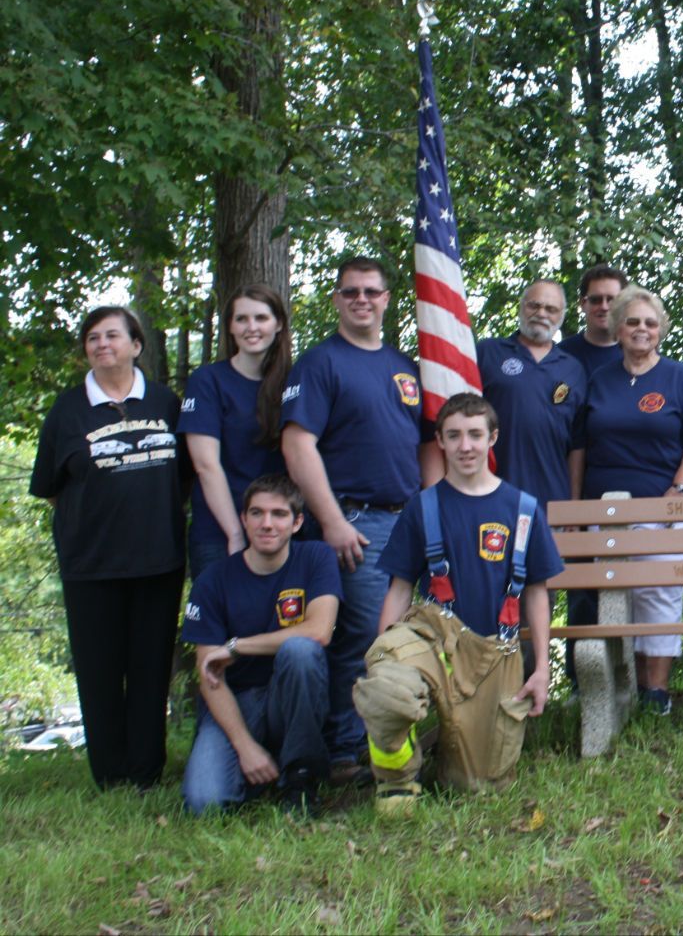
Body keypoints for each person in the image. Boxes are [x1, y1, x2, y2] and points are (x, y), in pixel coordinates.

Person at [359, 393, 562, 813]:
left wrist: (541, 669)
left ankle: (448, 752)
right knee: (387, 688)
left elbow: (538, 593)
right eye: (454, 436)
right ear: (440, 442)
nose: (465, 446)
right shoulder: (423, 507)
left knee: (474, 787)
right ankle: (396, 781)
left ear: (493, 438)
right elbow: (399, 587)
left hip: (495, 651)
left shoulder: (523, 510)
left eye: (474, 434)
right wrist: (380, 655)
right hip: (433, 637)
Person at [281, 256, 430, 782]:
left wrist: (431, 513)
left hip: (408, 519)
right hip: (354, 521)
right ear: (337, 300)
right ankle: (346, 751)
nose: (362, 299)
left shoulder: (405, 367)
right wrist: (333, 521)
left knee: (407, 635)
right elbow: (298, 445)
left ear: (388, 299)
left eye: (372, 291)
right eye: (351, 292)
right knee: (366, 637)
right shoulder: (320, 363)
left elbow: (427, 444)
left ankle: (393, 739)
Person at [30, 306, 185, 790]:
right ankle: (110, 774)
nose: (101, 344)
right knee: (99, 671)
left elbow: (185, 477)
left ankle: (145, 771)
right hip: (91, 564)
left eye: (112, 335)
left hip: (158, 561)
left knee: (149, 668)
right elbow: (52, 485)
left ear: (136, 345)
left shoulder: (165, 403)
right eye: (92, 338)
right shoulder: (68, 409)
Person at [573, 285, 683, 714]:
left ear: (661, 331)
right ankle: (624, 686)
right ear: (617, 328)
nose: (641, 329)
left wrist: (680, 489)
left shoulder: (676, 377)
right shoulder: (598, 380)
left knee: (660, 592)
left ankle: (656, 691)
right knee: (617, 596)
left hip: (662, 506)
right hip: (605, 507)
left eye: (650, 323)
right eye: (632, 321)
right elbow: (579, 445)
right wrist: (577, 501)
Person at [180, 475, 340, 816]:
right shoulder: (213, 580)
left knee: (300, 651)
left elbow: (319, 631)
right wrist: (244, 746)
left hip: (290, 697)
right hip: (236, 702)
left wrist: (236, 647)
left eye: (279, 514)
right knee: (203, 803)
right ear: (243, 519)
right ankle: (256, 764)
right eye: (257, 513)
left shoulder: (315, 558)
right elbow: (209, 673)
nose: (267, 524)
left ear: (297, 522)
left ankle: (300, 779)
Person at [477, 279, 588, 681]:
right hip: (487, 499)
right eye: (534, 305)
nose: (542, 313)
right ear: (521, 306)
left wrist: (572, 505)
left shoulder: (573, 368)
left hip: (547, 506)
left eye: (551, 309)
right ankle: (483, 695)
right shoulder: (487, 353)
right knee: (485, 603)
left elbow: (578, 444)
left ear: (561, 316)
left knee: (533, 608)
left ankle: (524, 693)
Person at [180, 284, 292, 581]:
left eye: (261, 318)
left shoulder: (295, 382)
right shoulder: (208, 381)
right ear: (229, 326)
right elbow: (206, 465)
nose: (251, 327)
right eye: (241, 319)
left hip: (282, 532)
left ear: (278, 324)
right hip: (221, 533)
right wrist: (236, 533)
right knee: (221, 626)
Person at [558, 265, 627, 378]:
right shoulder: (560, 355)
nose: (604, 307)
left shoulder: (639, 357)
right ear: (583, 303)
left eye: (612, 300)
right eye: (596, 300)